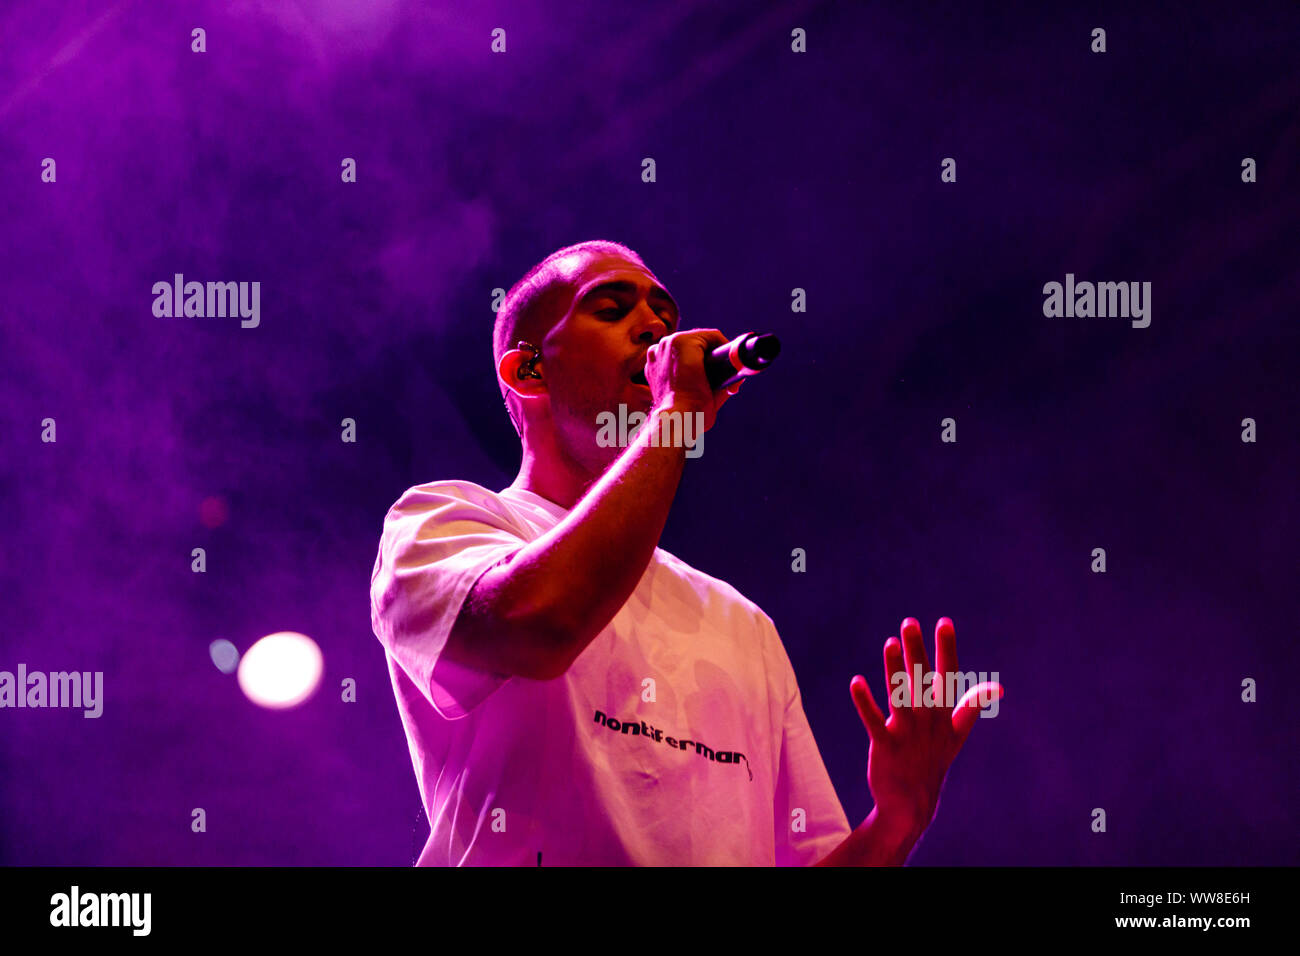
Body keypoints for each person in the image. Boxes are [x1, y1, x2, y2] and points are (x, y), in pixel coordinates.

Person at [369, 239, 1003, 865]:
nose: (653, 327)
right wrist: (674, 417)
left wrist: (897, 821)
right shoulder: (443, 523)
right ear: (528, 369)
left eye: (665, 317)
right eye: (612, 309)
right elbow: (539, 626)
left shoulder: (742, 623)